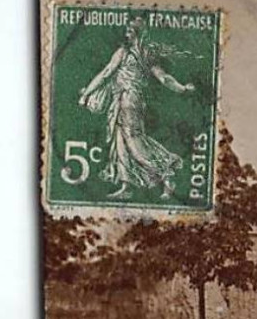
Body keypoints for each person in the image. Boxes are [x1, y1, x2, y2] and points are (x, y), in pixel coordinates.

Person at [78, 18, 195, 199]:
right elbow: (164, 78)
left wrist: (87, 94)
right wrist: (183, 89)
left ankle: (166, 174)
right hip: (129, 100)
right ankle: (126, 187)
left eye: (130, 31)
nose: (127, 34)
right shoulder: (147, 55)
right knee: (121, 142)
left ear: (137, 34)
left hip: (127, 100)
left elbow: (106, 73)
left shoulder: (124, 52)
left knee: (133, 142)